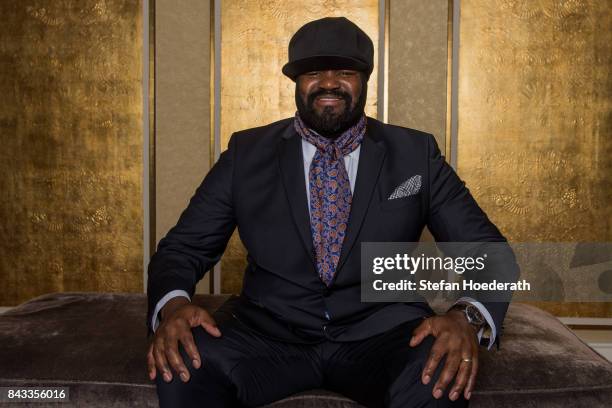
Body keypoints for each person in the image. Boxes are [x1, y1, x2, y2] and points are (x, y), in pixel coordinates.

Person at [146, 17, 517, 408]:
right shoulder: (246, 154)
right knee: (184, 362)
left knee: (438, 373)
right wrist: (173, 306)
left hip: (384, 334)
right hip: (268, 333)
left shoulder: (415, 155)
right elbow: (182, 249)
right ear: (296, 81)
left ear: (365, 80)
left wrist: (466, 318)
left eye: (344, 72)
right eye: (312, 72)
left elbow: (491, 255)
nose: (328, 83)